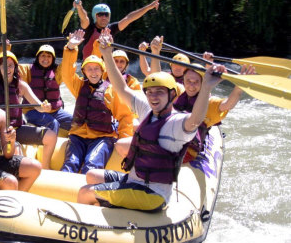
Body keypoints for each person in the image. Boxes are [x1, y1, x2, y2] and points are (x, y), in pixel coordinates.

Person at [78, 30, 226, 212]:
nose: (154, 96)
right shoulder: (147, 108)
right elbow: (121, 87)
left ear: (172, 95)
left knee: (85, 193)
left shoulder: (177, 123)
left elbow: (195, 120)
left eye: (160, 92)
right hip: (135, 180)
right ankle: (113, 205)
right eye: (150, 91)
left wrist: (206, 88)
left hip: (152, 194)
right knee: (92, 175)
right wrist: (107, 54)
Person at [60, 29, 134, 174]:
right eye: (89, 69)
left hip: (102, 138)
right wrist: (70, 48)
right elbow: (67, 73)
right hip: (78, 136)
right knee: (70, 164)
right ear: (84, 72)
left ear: (102, 71)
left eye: (96, 69)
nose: (93, 72)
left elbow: (125, 116)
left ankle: (88, 194)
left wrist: (124, 141)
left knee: (91, 166)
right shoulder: (79, 86)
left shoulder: (111, 91)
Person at [175, 59, 256, 162]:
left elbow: (227, 104)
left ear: (203, 82)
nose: (191, 86)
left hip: (187, 150)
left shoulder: (209, 103)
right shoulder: (178, 92)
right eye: (188, 81)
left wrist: (238, 88)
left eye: (196, 82)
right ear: (183, 81)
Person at [0, 51, 58, 170]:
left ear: (15, 67)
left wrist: (44, 107)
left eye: (11, 65)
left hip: (18, 129)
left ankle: (46, 168)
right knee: (15, 153)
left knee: (51, 136)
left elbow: (37, 104)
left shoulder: (21, 86)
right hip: (0, 132)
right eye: (4, 66)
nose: (7, 69)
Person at [73, 0, 161, 60]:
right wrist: (80, 8)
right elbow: (84, 18)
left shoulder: (112, 28)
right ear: (95, 16)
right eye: (100, 14)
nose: (104, 17)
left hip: (106, 69)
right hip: (89, 68)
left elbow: (129, 18)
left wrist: (149, 7)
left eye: (106, 14)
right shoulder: (89, 28)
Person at [16, 44, 73, 136]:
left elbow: (68, 64)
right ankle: (51, 145)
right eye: (43, 55)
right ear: (38, 57)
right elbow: (9, 66)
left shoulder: (57, 72)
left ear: (53, 59)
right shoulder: (27, 70)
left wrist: (71, 48)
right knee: (53, 123)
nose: (45, 59)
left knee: (75, 122)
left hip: (55, 111)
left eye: (49, 56)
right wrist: (5, 49)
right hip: (32, 111)